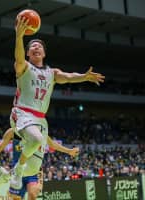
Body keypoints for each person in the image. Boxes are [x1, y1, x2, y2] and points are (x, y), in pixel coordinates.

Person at [9, 15, 105, 190]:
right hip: (21, 113)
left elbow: (68, 77)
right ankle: (17, 168)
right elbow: (18, 56)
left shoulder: (52, 73)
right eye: (32, 47)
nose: (36, 47)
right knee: (37, 140)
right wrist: (19, 37)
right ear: (28, 53)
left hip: (39, 118)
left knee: (34, 167)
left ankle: (12, 172)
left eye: (39, 46)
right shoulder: (23, 66)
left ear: (44, 53)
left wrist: (84, 76)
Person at [0, 128, 79, 200]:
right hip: (18, 172)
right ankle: (2, 176)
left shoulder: (38, 133)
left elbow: (53, 145)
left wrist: (69, 151)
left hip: (33, 171)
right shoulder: (13, 131)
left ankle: (4, 177)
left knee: (33, 195)